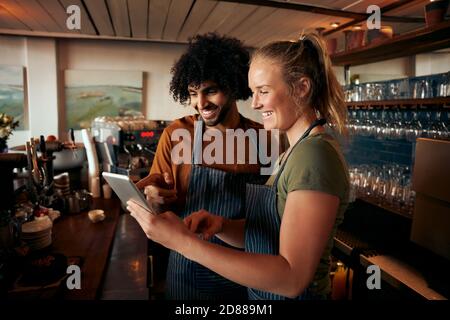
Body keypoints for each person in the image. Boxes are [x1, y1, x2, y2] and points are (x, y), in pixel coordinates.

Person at [128, 33, 349, 300]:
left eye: (263, 91)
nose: (255, 103)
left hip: (249, 275)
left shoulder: (297, 150)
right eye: (193, 93)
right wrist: (221, 225)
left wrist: (184, 242)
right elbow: (270, 229)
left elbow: (290, 276)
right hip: (201, 276)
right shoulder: (293, 151)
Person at [135, 33, 277, 300]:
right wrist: (153, 200)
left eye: (210, 90)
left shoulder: (265, 140)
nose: (201, 104)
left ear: (233, 86)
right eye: (193, 93)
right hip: (186, 273)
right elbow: (159, 208)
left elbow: (270, 217)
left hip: (246, 273)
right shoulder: (177, 134)